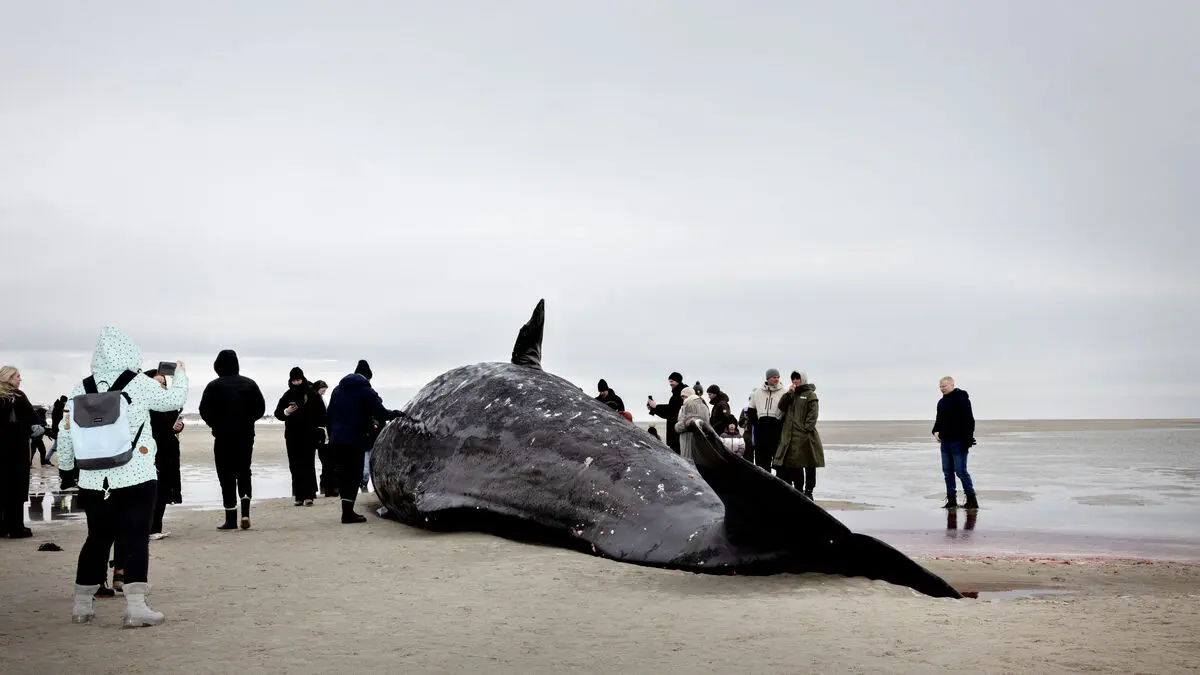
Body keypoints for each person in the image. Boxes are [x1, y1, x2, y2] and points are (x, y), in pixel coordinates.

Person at [54, 326, 188, 627]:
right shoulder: (138, 383)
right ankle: (136, 607)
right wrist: (180, 373)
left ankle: (81, 606)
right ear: (130, 353)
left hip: (92, 477)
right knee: (135, 539)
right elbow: (172, 401)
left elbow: (65, 432)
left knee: (97, 539)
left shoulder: (81, 386)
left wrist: (66, 469)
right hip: (135, 474)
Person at [199, 349, 266, 530]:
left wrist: (216, 425)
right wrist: (247, 420)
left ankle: (230, 518)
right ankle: (245, 513)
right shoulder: (250, 384)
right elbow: (260, 408)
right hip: (245, 435)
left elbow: (204, 410)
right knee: (244, 471)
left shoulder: (213, 386)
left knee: (226, 474)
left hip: (223, 436)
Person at [273, 367, 324, 506]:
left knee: (308, 464)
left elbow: (322, 413)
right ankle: (298, 495)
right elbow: (277, 413)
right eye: (294, 380)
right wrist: (287, 412)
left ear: (303, 379)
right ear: (290, 380)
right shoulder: (287, 395)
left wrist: (317, 428)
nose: (296, 382)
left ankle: (309, 495)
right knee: (294, 465)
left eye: (298, 380)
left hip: (309, 435)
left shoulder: (312, 394)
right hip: (292, 435)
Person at [0, 366, 41, 539]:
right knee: (16, 488)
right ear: (8, 377)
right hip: (17, 449)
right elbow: (31, 419)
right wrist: (37, 428)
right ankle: (16, 527)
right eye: (17, 376)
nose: (20, 379)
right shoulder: (18, 397)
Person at [144, 369, 184, 539]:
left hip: (168, 449)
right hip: (150, 450)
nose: (162, 385)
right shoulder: (145, 403)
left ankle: (156, 528)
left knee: (165, 488)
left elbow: (172, 425)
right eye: (158, 382)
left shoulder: (170, 402)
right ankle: (148, 528)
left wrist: (178, 427)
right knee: (152, 489)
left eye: (164, 383)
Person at [773, 371, 824, 499]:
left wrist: (806, 429)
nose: (795, 381)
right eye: (793, 378)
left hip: (806, 436)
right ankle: (799, 490)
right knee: (796, 465)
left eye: (798, 378)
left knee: (809, 464)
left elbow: (813, 414)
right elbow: (781, 407)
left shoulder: (810, 394)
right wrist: (788, 393)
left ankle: (809, 491)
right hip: (791, 436)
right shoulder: (791, 395)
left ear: (803, 379)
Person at [932, 376, 978, 510]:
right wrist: (935, 431)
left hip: (959, 442)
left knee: (961, 471)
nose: (942, 389)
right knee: (947, 472)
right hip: (945, 442)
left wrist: (968, 440)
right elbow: (939, 420)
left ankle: (971, 500)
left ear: (952, 385)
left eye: (944, 386)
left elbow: (970, 421)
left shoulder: (962, 399)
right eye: (940, 386)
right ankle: (951, 500)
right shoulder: (941, 402)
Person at [747, 369, 787, 473]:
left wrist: (780, 424)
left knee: (778, 458)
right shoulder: (758, 393)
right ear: (768, 378)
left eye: (778, 377)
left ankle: (781, 483)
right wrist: (756, 424)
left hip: (776, 428)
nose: (776, 379)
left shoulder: (784, 392)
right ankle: (763, 481)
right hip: (762, 428)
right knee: (762, 459)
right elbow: (751, 410)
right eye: (774, 377)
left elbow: (787, 410)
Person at [647, 372, 686, 454]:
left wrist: (655, 407)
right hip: (677, 433)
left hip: (677, 434)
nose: (670, 383)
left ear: (678, 381)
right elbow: (670, 410)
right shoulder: (677, 394)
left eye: (672, 381)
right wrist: (655, 408)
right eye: (669, 381)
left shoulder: (680, 394)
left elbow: (670, 411)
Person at [311, 380, 337, 498]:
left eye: (325, 390)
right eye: (322, 390)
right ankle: (327, 489)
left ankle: (325, 488)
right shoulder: (317, 400)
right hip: (321, 436)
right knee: (327, 463)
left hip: (324, 435)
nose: (323, 392)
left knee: (327, 464)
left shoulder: (321, 400)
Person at [673, 387, 710, 465]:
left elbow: (687, 423)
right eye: (682, 396)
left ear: (690, 395)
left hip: (688, 439)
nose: (682, 398)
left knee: (688, 464)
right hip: (700, 440)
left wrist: (677, 426)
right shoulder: (704, 406)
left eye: (684, 396)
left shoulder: (689, 405)